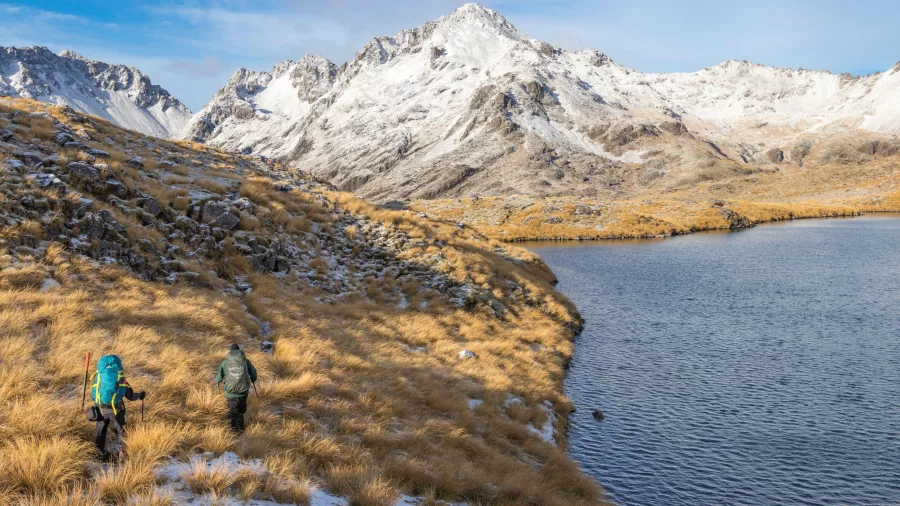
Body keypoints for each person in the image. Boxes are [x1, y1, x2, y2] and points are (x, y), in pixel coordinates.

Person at [90, 354, 146, 460]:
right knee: (121, 432)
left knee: (101, 433)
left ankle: (97, 456)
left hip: (101, 410)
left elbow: (93, 395)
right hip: (117, 410)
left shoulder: (98, 377)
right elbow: (130, 396)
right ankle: (122, 455)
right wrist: (140, 395)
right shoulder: (121, 378)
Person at [215, 344, 257, 434]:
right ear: (239, 352)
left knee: (233, 410)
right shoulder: (246, 361)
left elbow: (219, 378)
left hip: (231, 392)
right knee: (241, 410)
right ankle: (241, 429)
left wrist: (217, 379)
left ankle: (234, 432)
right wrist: (253, 379)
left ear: (230, 352)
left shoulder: (225, 362)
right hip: (243, 391)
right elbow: (253, 374)